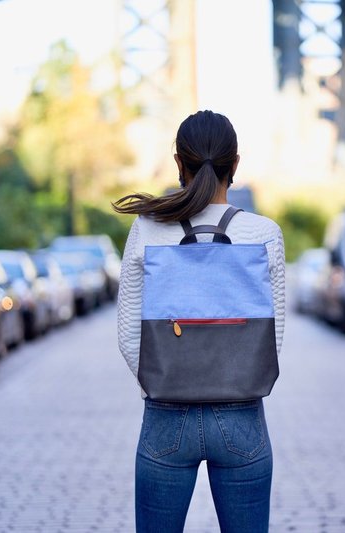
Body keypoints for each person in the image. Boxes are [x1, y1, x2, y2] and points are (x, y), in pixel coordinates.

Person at [113, 110, 286, 532]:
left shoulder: (148, 229)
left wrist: (165, 381)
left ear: (179, 164)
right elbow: (272, 338)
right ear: (236, 164)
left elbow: (127, 334)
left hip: (166, 417)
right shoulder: (264, 234)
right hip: (242, 417)